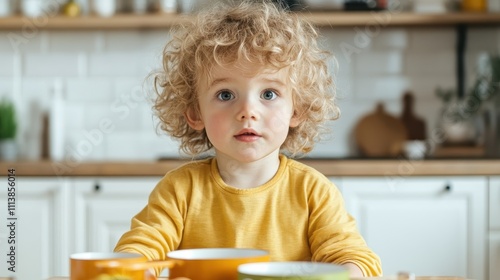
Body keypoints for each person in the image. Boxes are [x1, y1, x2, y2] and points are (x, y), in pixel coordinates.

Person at [114, 0, 382, 277]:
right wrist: (132, 268)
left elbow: (353, 259)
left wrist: (348, 272)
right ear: (195, 113)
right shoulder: (179, 190)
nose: (247, 112)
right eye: (225, 95)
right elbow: (140, 248)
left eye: (268, 94)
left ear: (297, 109)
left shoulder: (313, 192)